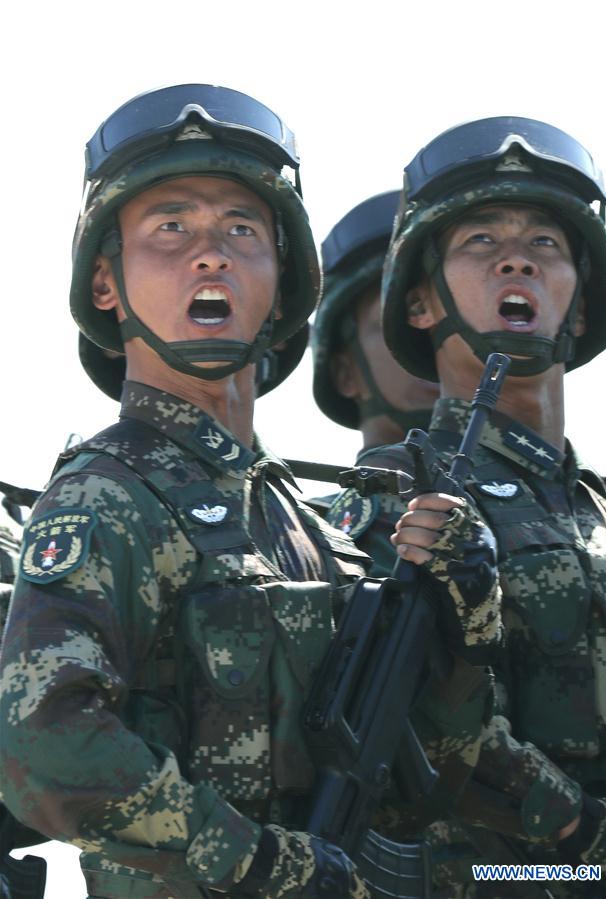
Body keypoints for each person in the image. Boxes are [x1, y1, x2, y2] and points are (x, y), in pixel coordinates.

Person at [0, 85, 500, 899]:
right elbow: (44, 746)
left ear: (282, 278)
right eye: (171, 227)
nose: (210, 253)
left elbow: (434, 778)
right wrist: (254, 857)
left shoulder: (308, 522)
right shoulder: (106, 497)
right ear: (105, 284)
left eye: (241, 229)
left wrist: (465, 628)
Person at [338, 116, 606, 896]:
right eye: (480, 242)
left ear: (580, 296)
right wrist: (593, 835)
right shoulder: (391, 496)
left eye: (546, 244)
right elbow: (414, 730)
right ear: (424, 302)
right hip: (500, 872)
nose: (516, 258)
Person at [310, 192, 439, 546]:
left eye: (445, 318)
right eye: (396, 322)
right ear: (344, 373)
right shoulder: (310, 540)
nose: (427, 340)